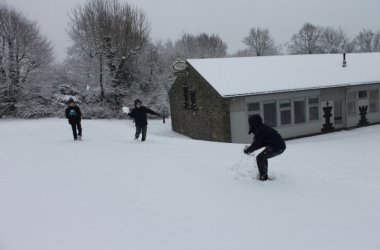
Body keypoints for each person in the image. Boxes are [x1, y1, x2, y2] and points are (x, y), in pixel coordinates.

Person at [244, 115, 286, 181]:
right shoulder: (261, 128)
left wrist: (248, 150)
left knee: (260, 158)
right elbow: (261, 143)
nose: (250, 125)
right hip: (278, 146)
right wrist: (250, 149)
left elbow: (257, 144)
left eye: (250, 123)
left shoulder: (260, 130)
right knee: (262, 157)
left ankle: (263, 177)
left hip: (277, 147)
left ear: (253, 123)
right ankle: (264, 174)